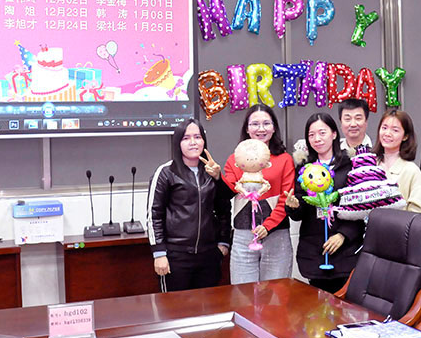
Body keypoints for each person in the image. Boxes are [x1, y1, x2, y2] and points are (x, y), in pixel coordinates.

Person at [147, 118, 232, 292]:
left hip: (208, 255)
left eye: (197, 137)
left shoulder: (212, 171)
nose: (193, 142)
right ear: (178, 143)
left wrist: (223, 242)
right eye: (186, 138)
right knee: (175, 307)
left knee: (208, 306)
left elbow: (224, 207)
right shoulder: (166, 172)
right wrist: (159, 253)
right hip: (176, 255)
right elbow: (154, 214)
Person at [285, 113, 362, 293]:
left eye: (322, 133)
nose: (317, 139)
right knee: (317, 304)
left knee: (345, 303)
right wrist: (293, 206)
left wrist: (343, 235)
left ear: (334, 134)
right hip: (314, 250)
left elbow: (360, 207)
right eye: (311, 135)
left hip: (345, 250)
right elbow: (299, 213)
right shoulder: (305, 168)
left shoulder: (350, 165)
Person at [222, 104, 296, 284]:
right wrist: (217, 176)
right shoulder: (234, 160)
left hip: (276, 234)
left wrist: (268, 226)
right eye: (255, 124)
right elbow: (229, 190)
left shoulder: (285, 159)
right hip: (243, 235)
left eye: (266, 123)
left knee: (276, 293)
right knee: (243, 294)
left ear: (274, 128)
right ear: (247, 129)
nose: (261, 129)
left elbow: (286, 197)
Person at [371, 109, 421, 215]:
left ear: (405, 136)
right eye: (384, 128)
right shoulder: (370, 165)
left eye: (395, 130)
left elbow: (419, 213)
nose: (387, 133)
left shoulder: (411, 171)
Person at [292, 98, 372, 158]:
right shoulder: (331, 149)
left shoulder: (376, 149)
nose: (353, 124)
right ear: (341, 122)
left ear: (366, 121)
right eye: (347, 119)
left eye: (358, 118)